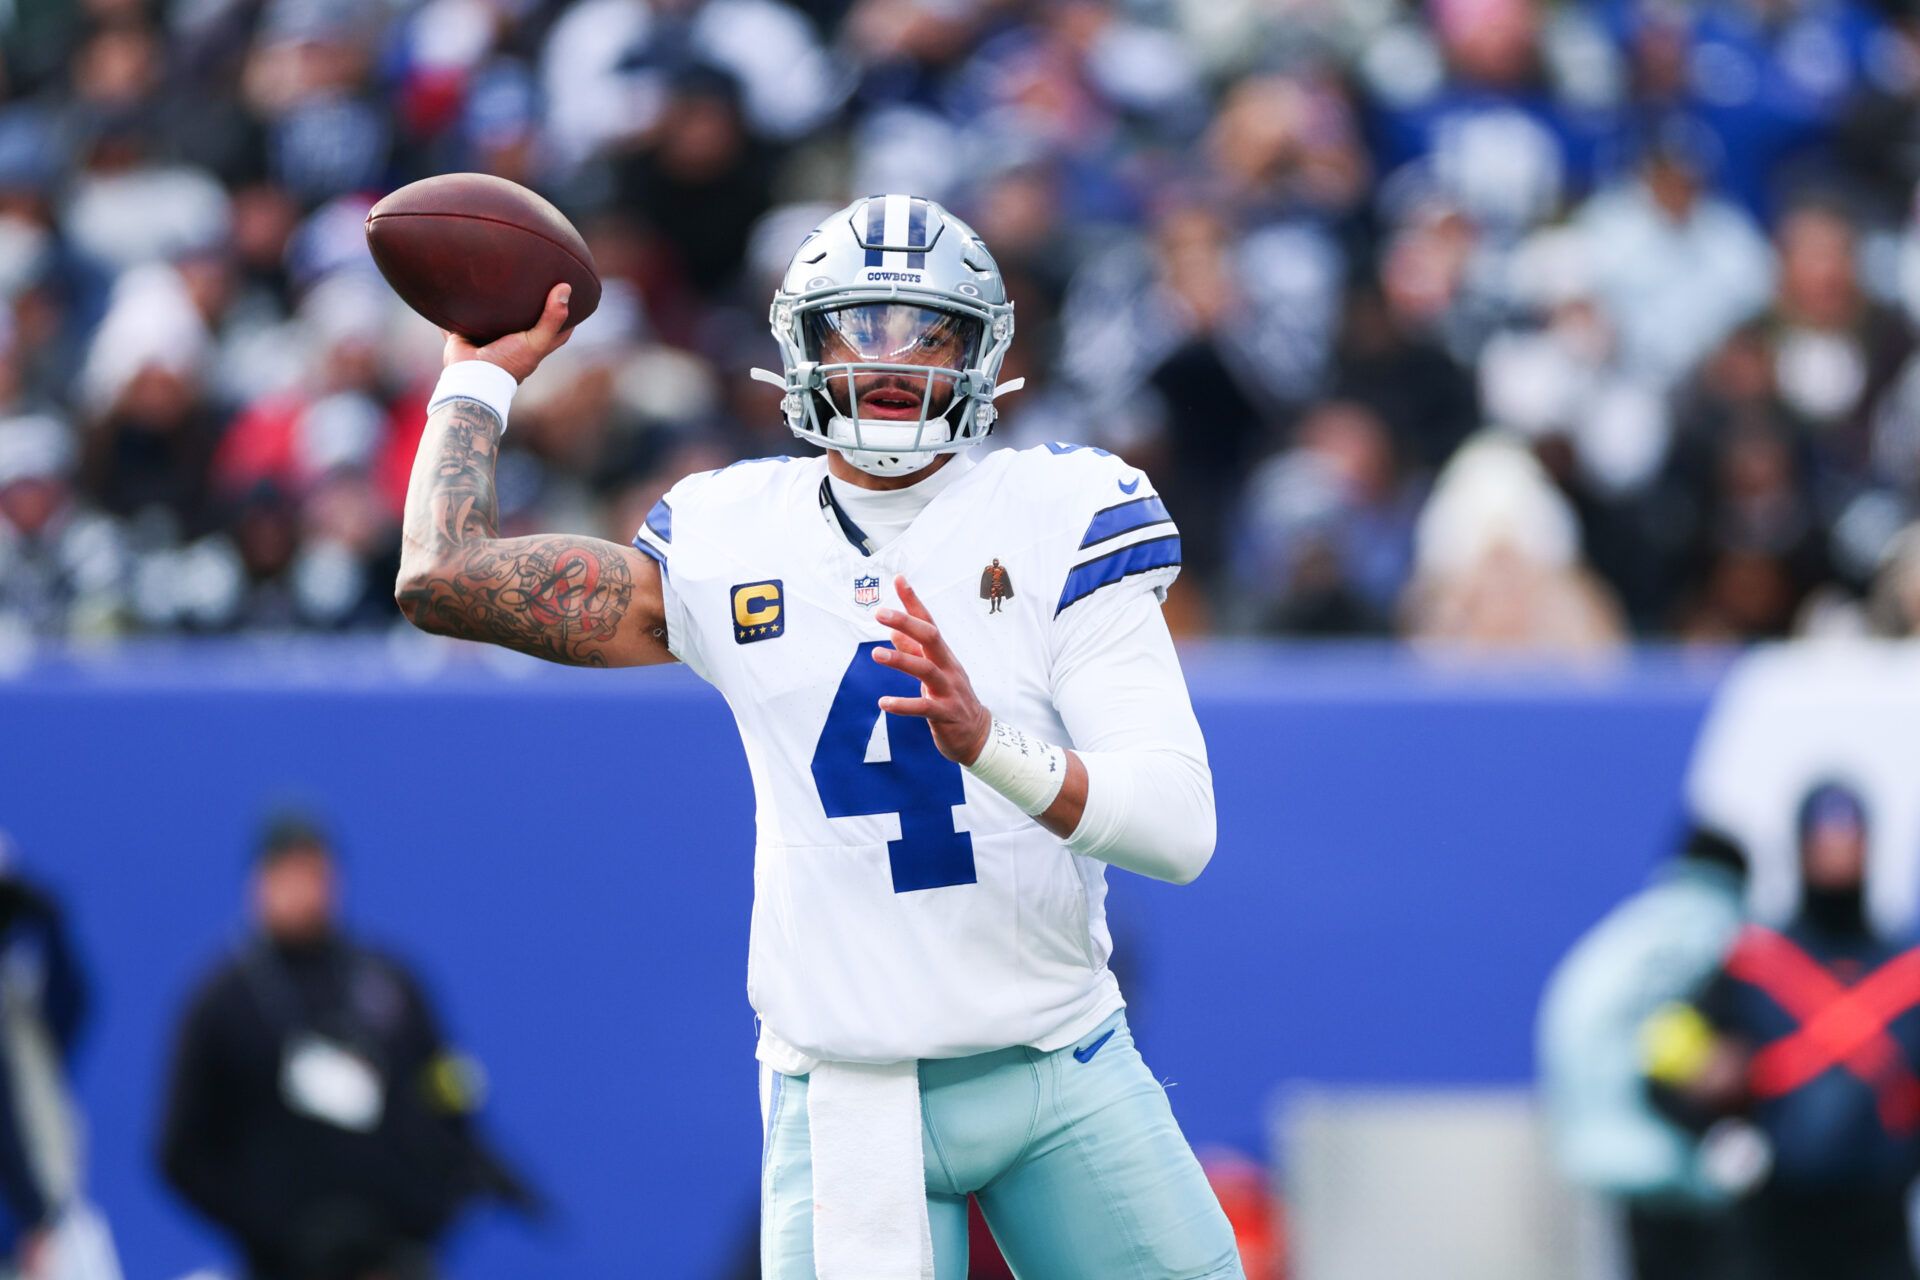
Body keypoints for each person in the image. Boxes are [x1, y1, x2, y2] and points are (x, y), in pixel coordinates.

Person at [394, 194, 1241, 1278]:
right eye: (861, 325)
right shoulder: (726, 532)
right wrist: (476, 378)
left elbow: (1178, 829)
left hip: (1058, 1058)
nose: (892, 360)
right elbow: (439, 578)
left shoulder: (1067, 509)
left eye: (927, 329)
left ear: (984, 352)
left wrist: (984, 742)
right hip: (848, 1091)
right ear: (799, 343)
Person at [158, 814, 537, 1280]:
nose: (302, 888)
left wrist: (433, 1211)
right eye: (287, 872)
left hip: (396, 1260)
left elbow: (451, 1096)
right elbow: (180, 1152)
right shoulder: (223, 1003)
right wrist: (268, 1230)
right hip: (282, 1266)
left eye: (313, 871)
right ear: (258, 882)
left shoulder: (392, 983)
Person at [1645, 782, 1920, 1280]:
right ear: (1799, 845)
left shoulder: (1908, 971)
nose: (1836, 852)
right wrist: (1709, 1107)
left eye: (1849, 837)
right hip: (1775, 1225)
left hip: (1881, 1227)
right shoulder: (1753, 963)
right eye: (1823, 838)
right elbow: (1661, 1060)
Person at [1537, 823, 1749, 1280]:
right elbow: (1675, 1041)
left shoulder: (1628, 932)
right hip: (1668, 1152)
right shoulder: (1713, 929)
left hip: (1600, 1144)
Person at [0, 834, 93, 1280]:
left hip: (46, 1219)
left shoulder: (16, 1002)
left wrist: (48, 927)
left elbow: (72, 1007)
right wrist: (24, 1219)